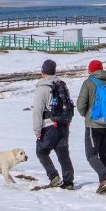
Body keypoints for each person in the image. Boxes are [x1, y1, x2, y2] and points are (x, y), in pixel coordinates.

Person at [77, 59, 106, 194]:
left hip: (93, 126)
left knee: (91, 155)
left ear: (91, 70)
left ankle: (105, 178)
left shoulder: (88, 83)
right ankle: (105, 187)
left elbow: (80, 105)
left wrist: (86, 115)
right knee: (105, 156)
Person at [31, 59, 75, 190]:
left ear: (43, 72)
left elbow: (37, 110)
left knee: (41, 151)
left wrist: (37, 129)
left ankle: (54, 177)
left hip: (49, 125)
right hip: (64, 124)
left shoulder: (42, 88)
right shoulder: (62, 85)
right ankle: (68, 182)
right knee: (63, 153)